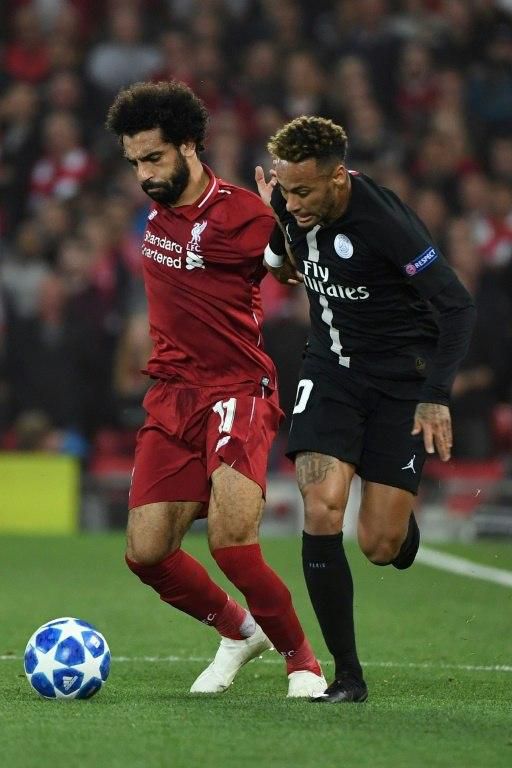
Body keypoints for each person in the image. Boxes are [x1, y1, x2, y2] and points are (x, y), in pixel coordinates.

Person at [105, 82, 326, 698]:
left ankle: (302, 661)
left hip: (237, 389)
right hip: (171, 394)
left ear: (189, 146)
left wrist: (281, 228)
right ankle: (238, 631)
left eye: (154, 159)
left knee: (232, 543)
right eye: (135, 163)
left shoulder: (244, 212)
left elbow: (286, 268)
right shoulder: (153, 215)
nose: (144, 175)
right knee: (146, 554)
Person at [255, 115, 476, 703]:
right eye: (285, 189)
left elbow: (457, 308)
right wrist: (277, 233)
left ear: (337, 178)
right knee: (322, 508)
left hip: (402, 384)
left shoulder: (386, 223)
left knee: (379, 544)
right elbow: (279, 263)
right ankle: (347, 676)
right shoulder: (287, 199)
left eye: (303, 192)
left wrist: (436, 397)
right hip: (330, 373)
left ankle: (400, 530)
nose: (292, 200)